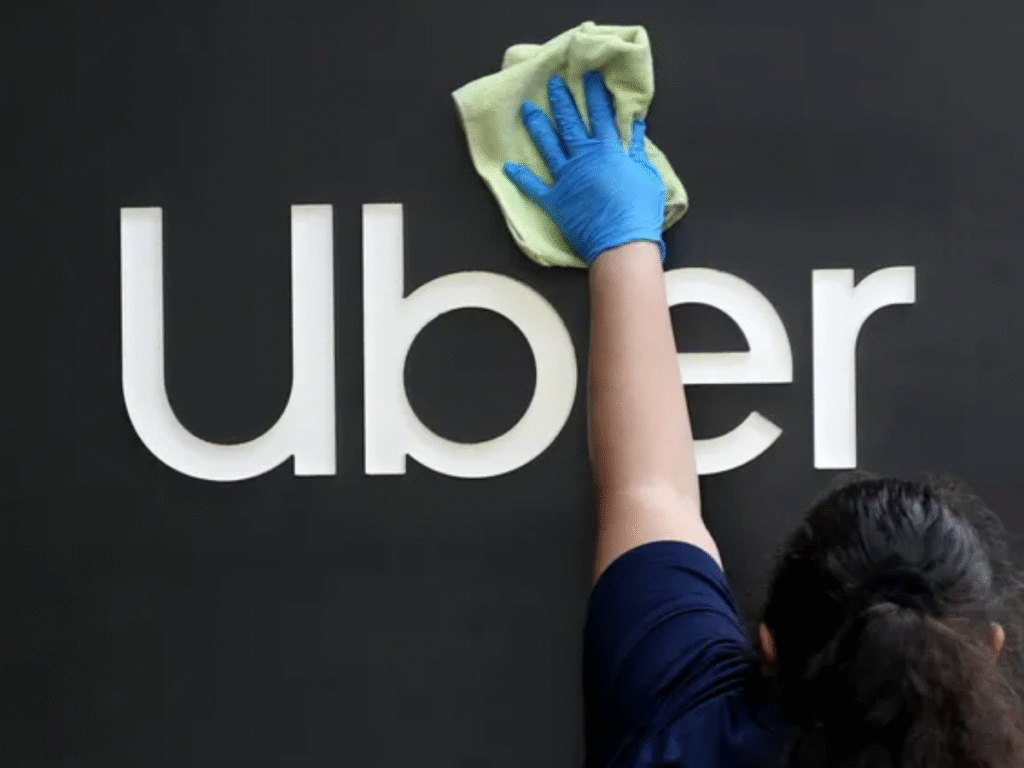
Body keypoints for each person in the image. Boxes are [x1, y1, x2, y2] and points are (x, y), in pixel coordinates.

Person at [502, 71, 1024, 768]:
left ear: (769, 647)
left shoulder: (680, 729)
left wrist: (621, 240)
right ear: (991, 647)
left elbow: (649, 491)